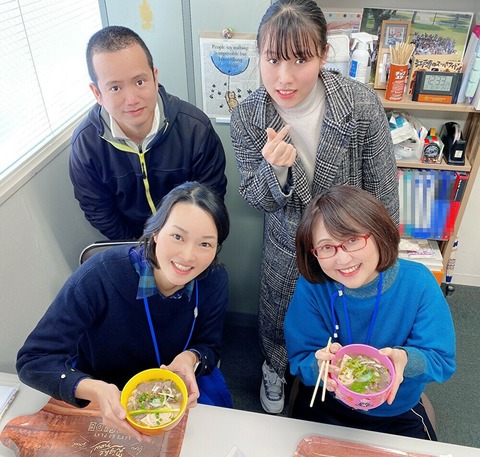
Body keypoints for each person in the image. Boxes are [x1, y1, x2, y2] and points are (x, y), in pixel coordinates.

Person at [229, 0, 399, 414]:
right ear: (260, 55)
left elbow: (383, 192)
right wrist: (275, 171)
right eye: (272, 59)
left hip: (349, 240)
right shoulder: (250, 114)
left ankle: (349, 372)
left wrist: (382, 256)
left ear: (323, 54)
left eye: (300, 59)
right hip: (288, 242)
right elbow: (254, 195)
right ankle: (276, 367)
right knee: (278, 316)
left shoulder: (358, 105)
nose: (283, 78)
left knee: (346, 310)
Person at [17, 182, 232, 442]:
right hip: (106, 390)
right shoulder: (99, 275)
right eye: (177, 236)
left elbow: (209, 346)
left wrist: (191, 358)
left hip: (177, 391)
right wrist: (94, 389)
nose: (188, 256)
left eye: (205, 245)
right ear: (155, 232)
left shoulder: (214, 279)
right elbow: (33, 360)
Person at [284, 185, 455, 439]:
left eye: (352, 240)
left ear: (378, 233)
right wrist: (319, 365)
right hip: (327, 404)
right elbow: (300, 359)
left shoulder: (418, 283)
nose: (342, 260)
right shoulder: (313, 287)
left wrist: (406, 360)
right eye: (327, 247)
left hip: (395, 410)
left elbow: (441, 359)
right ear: (313, 253)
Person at [70, 26, 227, 240]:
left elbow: (211, 198)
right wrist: (139, 246)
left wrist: (176, 244)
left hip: (189, 240)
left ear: (154, 77)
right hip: (132, 243)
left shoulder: (196, 129)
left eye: (140, 82)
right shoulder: (86, 145)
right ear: (97, 93)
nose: (132, 99)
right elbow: (98, 209)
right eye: (115, 88)